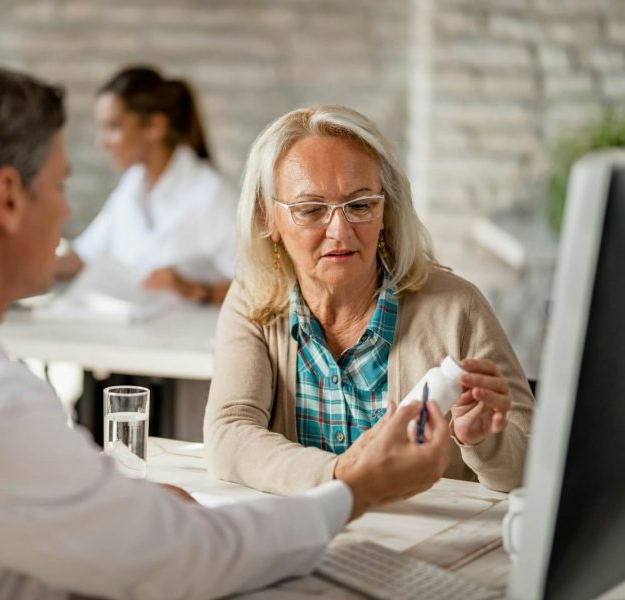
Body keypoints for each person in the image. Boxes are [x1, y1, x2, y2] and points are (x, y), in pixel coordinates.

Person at [0, 60, 452, 600]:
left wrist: (114, 508)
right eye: (60, 186)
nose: (67, 209)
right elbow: (190, 559)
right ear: (8, 198)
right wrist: (359, 485)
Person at [204, 105, 534, 496]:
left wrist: (483, 442)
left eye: (360, 205)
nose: (340, 231)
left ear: (385, 211)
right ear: (268, 219)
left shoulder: (458, 308)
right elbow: (229, 435)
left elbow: (533, 470)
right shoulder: (253, 299)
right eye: (311, 210)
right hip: (308, 536)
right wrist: (346, 473)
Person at [55, 66, 235, 305]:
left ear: (155, 126)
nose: (102, 142)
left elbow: (264, 284)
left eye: (113, 127)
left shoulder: (211, 194)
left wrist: (195, 289)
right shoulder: (131, 186)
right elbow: (84, 256)